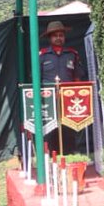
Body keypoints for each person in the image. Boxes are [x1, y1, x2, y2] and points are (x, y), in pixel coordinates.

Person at [39, 19, 87, 154]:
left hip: (69, 99)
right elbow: (36, 78)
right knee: (50, 128)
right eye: (55, 35)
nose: (59, 38)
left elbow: (77, 76)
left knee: (70, 127)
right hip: (48, 99)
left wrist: (77, 95)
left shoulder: (72, 54)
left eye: (61, 35)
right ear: (49, 38)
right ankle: (50, 156)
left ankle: (71, 154)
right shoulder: (42, 55)